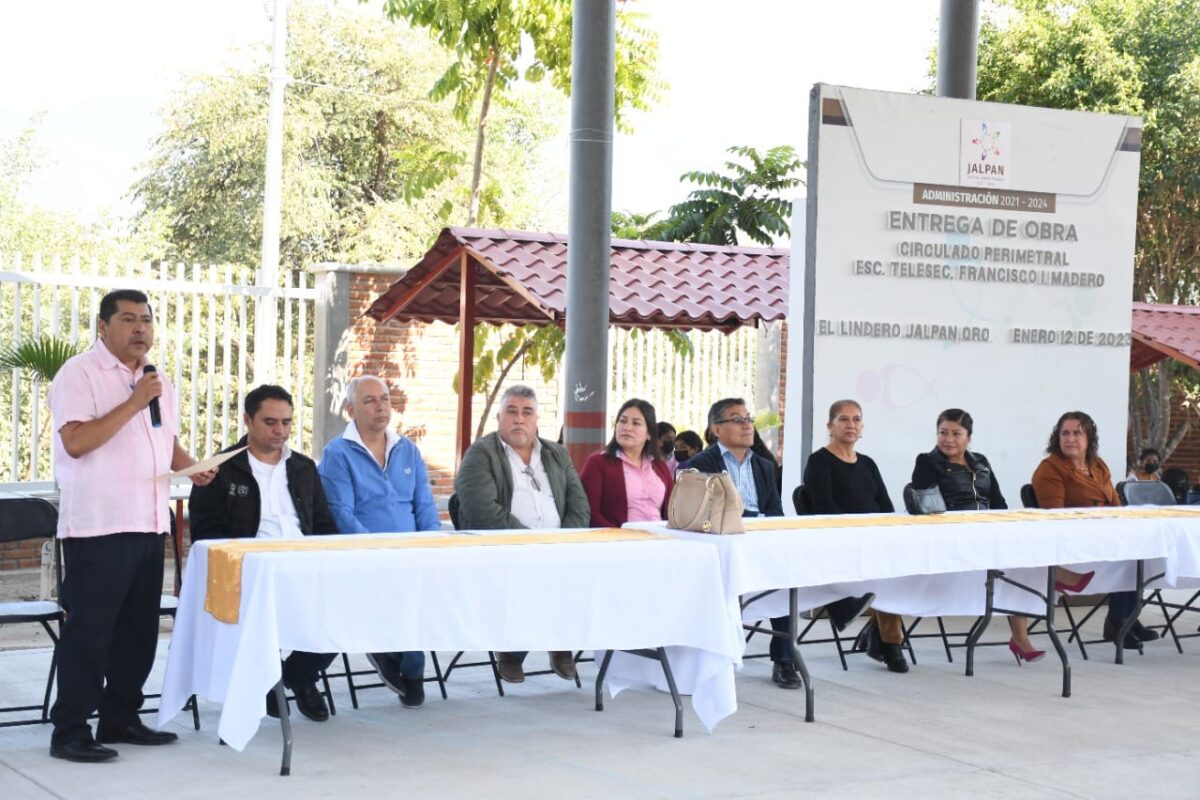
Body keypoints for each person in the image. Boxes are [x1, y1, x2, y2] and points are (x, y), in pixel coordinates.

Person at [47, 289, 216, 763]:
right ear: (103, 327)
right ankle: (70, 732)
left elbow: (165, 442)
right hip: (98, 527)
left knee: (138, 632)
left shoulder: (154, 379)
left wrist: (191, 467)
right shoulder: (79, 374)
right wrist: (135, 402)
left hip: (148, 522)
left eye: (146, 319)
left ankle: (120, 717)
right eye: (127, 319)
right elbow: (77, 441)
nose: (140, 328)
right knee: (90, 633)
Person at [690, 398, 872, 688]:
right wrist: (751, 518)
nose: (747, 424)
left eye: (748, 418)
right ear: (716, 429)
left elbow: (774, 510)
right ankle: (839, 604)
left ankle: (785, 660)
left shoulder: (763, 465)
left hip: (761, 540)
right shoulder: (699, 465)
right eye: (737, 419)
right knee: (780, 567)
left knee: (788, 567)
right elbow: (704, 512)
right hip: (722, 546)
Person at [188, 384, 339, 721]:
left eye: (286, 422)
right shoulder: (220, 470)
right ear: (247, 420)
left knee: (347, 605)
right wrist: (244, 560)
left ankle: (295, 677)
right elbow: (206, 534)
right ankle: (272, 682)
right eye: (270, 422)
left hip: (304, 565)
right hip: (249, 572)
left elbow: (325, 523)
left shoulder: (302, 467)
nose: (280, 431)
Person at [454, 384, 590, 683]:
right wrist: (533, 543)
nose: (519, 419)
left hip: (557, 548)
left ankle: (561, 640)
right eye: (512, 412)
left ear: (536, 419)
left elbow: (580, 504)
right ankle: (515, 650)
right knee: (534, 571)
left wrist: (564, 541)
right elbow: (482, 512)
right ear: (499, 417)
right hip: (504, 549)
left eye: (527, 412)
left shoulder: (556, 453)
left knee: (583, 569)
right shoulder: (481, 454)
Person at [318, 375, 439, 708]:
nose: (381, 406)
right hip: (365, 556)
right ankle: (390, 652)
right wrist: (378, 552)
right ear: (350, 409)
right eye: (370, 400)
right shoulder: (338, 453)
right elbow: (341, 513)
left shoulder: (407, 449)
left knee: (427, 604)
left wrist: (431, 545)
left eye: (385, 398)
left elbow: (425, 505)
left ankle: (404, 660)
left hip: (413, 555)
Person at [911, 408, 1048, 664]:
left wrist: (1004, 525)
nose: (948, 439)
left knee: (1021, 559)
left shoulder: (981, 462)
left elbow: (997, 501)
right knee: (1012, 562)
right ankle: (1057, 579)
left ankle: (1020, 638)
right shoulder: (926, 462)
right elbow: (926, 503)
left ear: (969, 438)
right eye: (943, 433)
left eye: (955, 433)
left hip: (985, 533)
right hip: (952, 537)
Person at [1032, 411, 1157, 649]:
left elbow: (1116, 506)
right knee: (1127, 557)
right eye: (1065, 433)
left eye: (1077, 433)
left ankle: (1127, 617)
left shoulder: (1098, 465)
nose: (1070, 439)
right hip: (1072, 543)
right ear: (1056, 438)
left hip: (1103, 535)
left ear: (1089, 438)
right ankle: (1119, 621)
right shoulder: (1050, 469)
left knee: (1139, 551)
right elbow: (1055, 517)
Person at [804, 399, 907, 674]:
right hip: (841, 539)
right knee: (884, 571)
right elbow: (825, 508)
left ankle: (879, 634)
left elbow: (886, 506)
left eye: (857, 420)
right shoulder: (819, 462)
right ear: (830, 426)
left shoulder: (869, 463)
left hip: (874, 538)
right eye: (844, 419)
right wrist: (858, 534)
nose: (851, 425)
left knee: (898, 567)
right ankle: (891, 644)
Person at [580, 399, 674, 526]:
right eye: (622, 421)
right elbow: (589, 513)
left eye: (636, 423)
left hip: (659, 539)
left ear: (649, 434)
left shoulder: (660, 467)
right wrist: (621, 538)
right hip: (618, 541)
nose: (627, 428)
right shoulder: (598, 463)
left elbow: (672, 512)